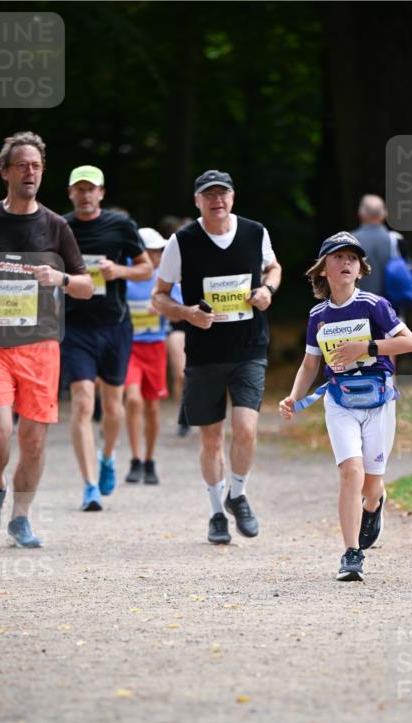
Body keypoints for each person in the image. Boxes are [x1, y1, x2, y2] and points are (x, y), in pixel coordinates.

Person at [0, 131, 92, 547]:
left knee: (33, 438)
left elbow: (85, 285)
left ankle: (21, 518)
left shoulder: (56, 226)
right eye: (22, 165)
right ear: (5, 172)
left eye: (37, 166)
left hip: (41, 345)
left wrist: (60, 278)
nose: (30, 172)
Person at [279, 232, 412, 582]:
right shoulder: (318, 315)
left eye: (352, 259)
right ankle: (351, 554)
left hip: (378, 401)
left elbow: (409, 342)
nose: (345, 263)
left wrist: (366, 348)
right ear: (323, 269)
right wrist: (294, 397)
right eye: (338, 258)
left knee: (371, 484)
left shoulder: (374, 305)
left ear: (360, 269)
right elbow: (311, 364)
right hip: (339, 400)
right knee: (350, 473)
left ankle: (374, 505)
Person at [153, 169, 282, 544]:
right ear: (197, 201)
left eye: (223, 193)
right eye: (209, 195)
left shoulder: (255, 231)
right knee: (210, 439)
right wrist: (188, 313)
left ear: (233, 197)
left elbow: (273, 267)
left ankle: (237, 495)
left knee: (246, 428)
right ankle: (215, 514)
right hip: (205, 352)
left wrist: (268, 290)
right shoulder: (183, 241)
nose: (217, 201)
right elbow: (158, 296)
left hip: (248, 346)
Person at [62, 166, 152, 511]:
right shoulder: (60, 226)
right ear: (70, 193)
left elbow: (145, 267)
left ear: (101, 192)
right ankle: (89, 486)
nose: (85, 195)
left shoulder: (120, 226)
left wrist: (120, 271)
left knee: (112, 405)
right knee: (83, 402)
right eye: (79, 189)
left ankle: (109, 457)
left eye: (91, 189)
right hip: (75, 327)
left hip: (114, 325)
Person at [124, 227, 178, 485]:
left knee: (152, 407)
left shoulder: (163, 278)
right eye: (152, 251)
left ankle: (149, 459)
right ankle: (135, 459)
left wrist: (162, 307)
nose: (157, 256)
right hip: (129, 347)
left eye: (159, 251)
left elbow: (179, 309)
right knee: (133, 400)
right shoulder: (126, 273)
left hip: (154, 347)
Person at [159, 215, 193, 437]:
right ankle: (185, 414)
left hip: (202, 323)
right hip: (179, 324)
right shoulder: (169, 264)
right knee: (180, 372)